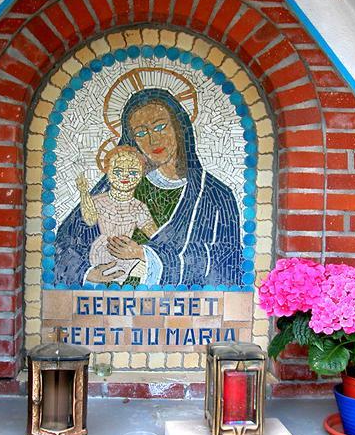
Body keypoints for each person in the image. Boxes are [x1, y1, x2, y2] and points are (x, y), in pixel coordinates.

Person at [54, 88, 243, 287]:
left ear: (178, 127)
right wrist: (88, 273)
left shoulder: (215, 196)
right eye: (141, 133)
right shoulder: (121, 185)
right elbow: (65, 244)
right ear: (132, 140)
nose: (153, 140)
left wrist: (144, 255)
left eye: (160, 126)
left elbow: (227, 262)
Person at [76, 145, 158, 284]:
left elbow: (155, 235)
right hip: (102, 252)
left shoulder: (139, 207)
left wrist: (140, 252)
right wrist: (84, 192)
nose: (125, 176)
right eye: (118, 171)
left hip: (129, 254)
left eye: (133, 172)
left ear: (140, 175)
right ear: (108, 171)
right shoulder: (98, 200)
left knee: (151, 272)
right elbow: (90, 219)